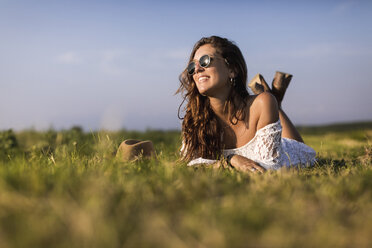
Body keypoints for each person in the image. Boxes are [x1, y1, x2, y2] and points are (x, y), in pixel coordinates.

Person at [176, 36, 316, 173]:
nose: (197, 69)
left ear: (232, 70)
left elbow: (269, 168)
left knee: (270, 103)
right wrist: (231, 160)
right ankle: (276, 102)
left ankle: (275, 104)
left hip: (288, 152)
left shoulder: (262, 103)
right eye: (192, 65)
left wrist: (226, 162)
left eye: (205, 61)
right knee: (271, 102)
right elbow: (190, 165)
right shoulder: (196, 116)